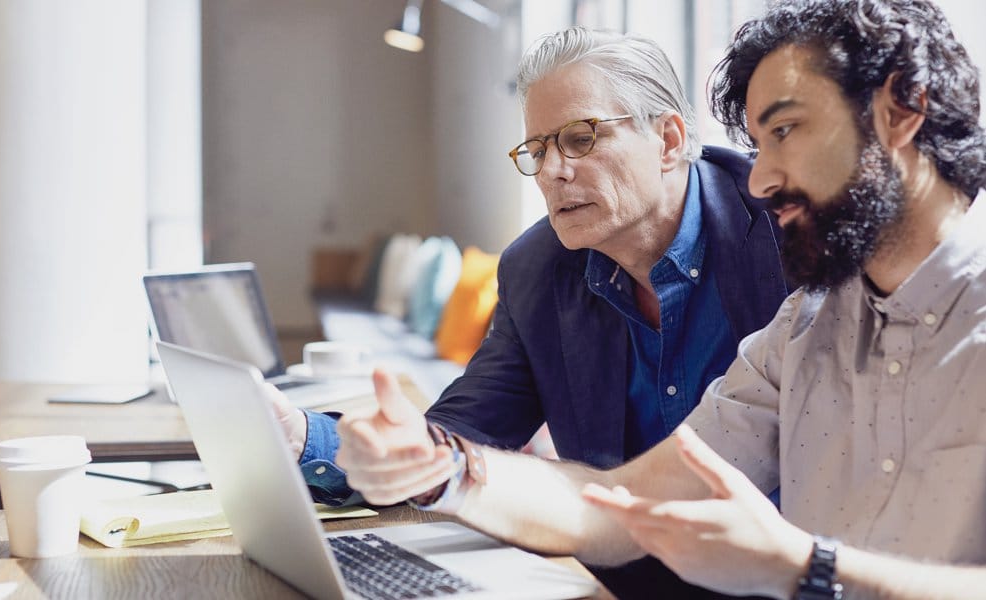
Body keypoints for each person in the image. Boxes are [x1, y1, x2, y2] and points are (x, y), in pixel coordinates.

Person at [337, 0, 986, 597]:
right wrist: (446, 470)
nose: (758, 178)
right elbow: (623, 505)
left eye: (786, 131)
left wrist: (802, 564)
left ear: (900, 111)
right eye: (758, 145)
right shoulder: (808, 323)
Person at [280, 27, 788, 597]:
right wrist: (301, 436)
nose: (552, 172)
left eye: (579, 138)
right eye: (538, 150)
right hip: (612, 581)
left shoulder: (787, 229)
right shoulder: (537, 269)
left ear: (668, 139)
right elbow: (460, 437)